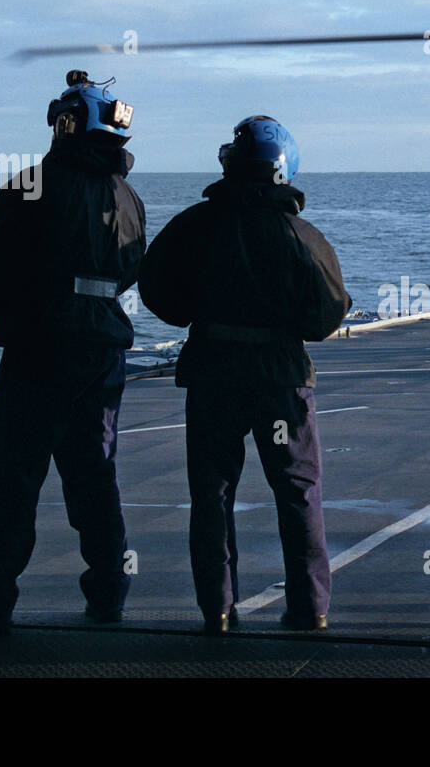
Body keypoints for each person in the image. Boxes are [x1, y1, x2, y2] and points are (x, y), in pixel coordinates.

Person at [138, 116, 349, 634]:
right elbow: (325, 316)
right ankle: (310, 607)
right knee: (298, 492)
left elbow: (156, 290)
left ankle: (218, 609)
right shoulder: (303, 235)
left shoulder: (193, 224)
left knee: (212, 494)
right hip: (282, 379)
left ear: (231, 163)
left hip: (213, 375)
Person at [0, 71, 145, 636]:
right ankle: (108, 592)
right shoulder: (129, 195)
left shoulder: (31, 184)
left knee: (14, 480)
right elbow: (132, 267)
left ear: (67, 124)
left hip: (37, 352)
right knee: (95, 474)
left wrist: (15, 321)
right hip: (104, 352)